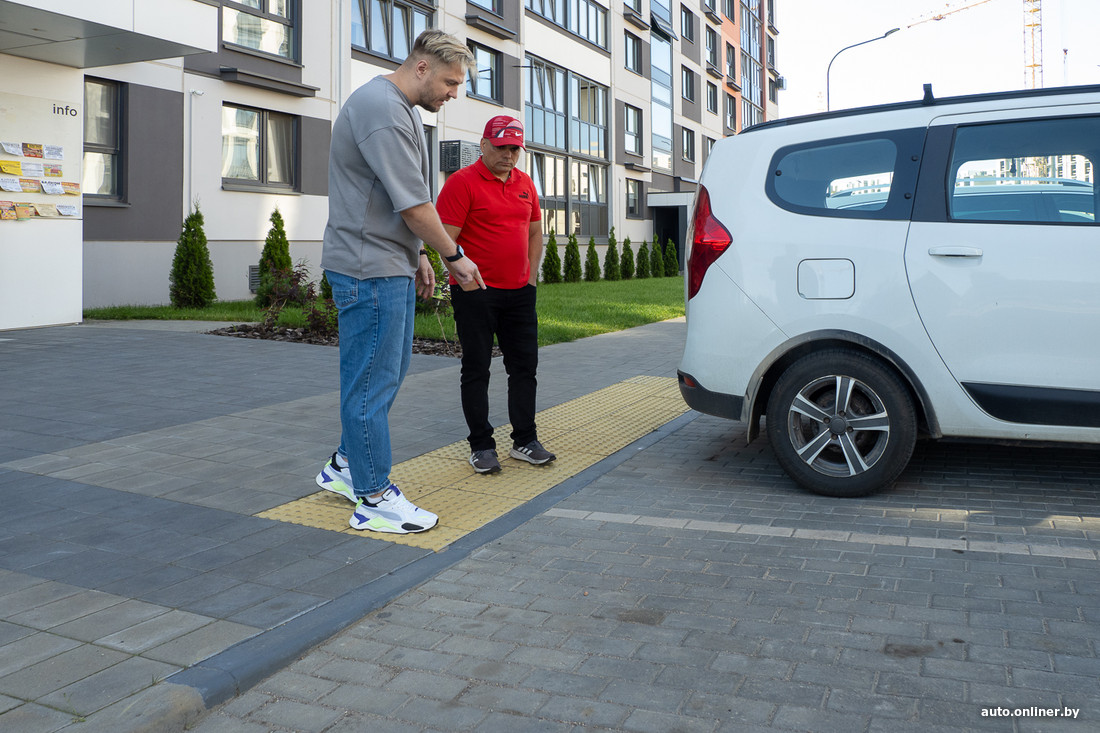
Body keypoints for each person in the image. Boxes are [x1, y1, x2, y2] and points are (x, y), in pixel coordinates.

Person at [315, 30, 484, 534]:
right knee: (371, 383)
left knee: (382, 374)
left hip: (383, 262)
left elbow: (388, 199)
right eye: (451, 82)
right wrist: (453, 255)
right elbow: (413, 203)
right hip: (368, 269)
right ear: (422, 68)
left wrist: (417, 256)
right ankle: (372, 497)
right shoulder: (384, 109)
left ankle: (346, 464)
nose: (454, 94)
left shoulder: (396, 108)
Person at [435, 115, 556, 475]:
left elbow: (535, 233)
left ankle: (524, 440)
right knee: (476, 369)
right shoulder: (462, 183)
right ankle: (481, 445)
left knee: (524, 368)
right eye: (502, 146)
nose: (509, 154)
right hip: (476, 293)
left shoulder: (525, 183)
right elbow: (446, 239)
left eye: (515, 148)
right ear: (484, 145)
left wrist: (531, 278)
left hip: (520, 293)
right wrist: (463, 279)